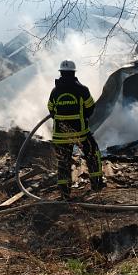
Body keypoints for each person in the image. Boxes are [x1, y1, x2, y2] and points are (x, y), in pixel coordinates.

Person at [47, 60, 104, 200]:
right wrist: (82, 118)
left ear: (61, 73)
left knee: (63, 162)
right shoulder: (82, 90)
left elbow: (51, 111)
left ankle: (65, 194)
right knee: (92, 154)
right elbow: (91, 108)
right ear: (74, 73)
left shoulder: (55, 91)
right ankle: (96, 185)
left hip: (60, 135)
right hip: (81, 134)